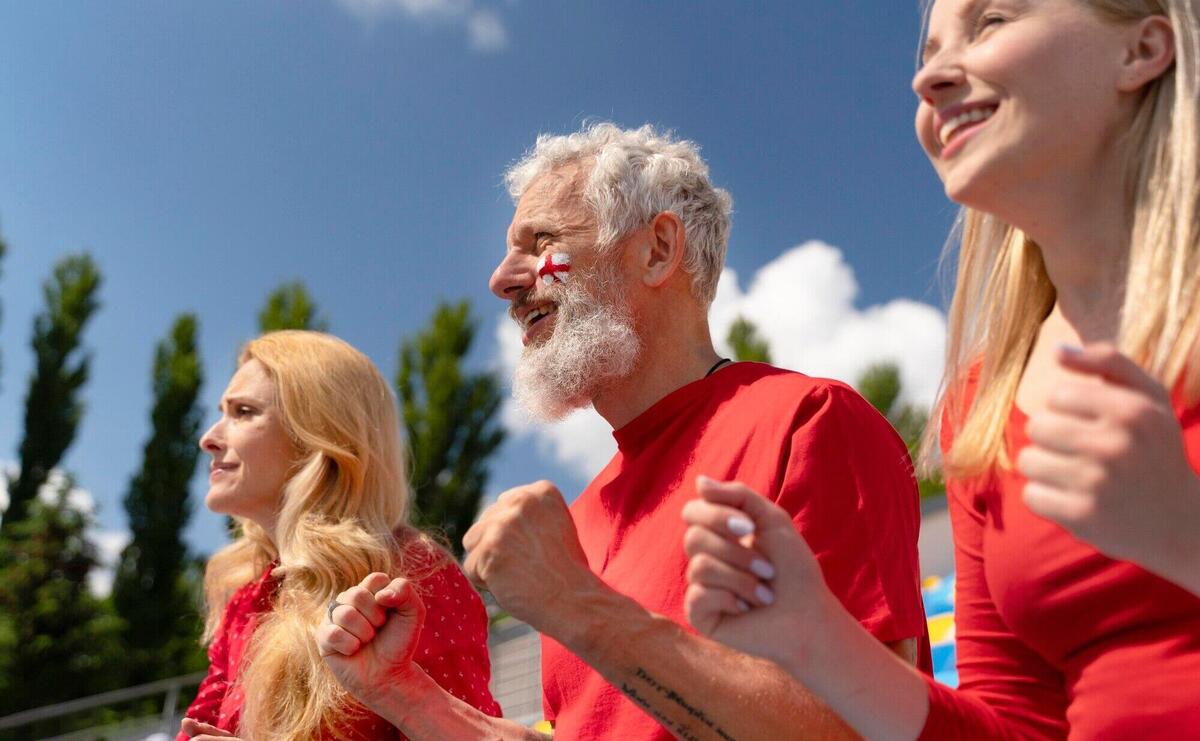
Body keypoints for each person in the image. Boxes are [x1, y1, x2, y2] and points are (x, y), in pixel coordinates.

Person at [680, 0, 1200, 738]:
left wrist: (1184, 534)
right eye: (926, 53)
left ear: (1144, 48)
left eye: (989, 23)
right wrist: (814, 635)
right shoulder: (982, 408)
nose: (928, 79)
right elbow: (1014, 722)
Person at [317, 123, 930, 740]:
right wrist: (404, 694)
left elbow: (866, 729)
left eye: (542, 241)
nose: (501, 279)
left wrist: (578, 606)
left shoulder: (808, 422)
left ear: (659, 250)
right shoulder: (577, 521)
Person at [176, 331, 500, 740]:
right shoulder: (245, 598)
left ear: (318, 433)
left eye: (243, 412)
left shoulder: (410, 575)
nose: (208, 438)